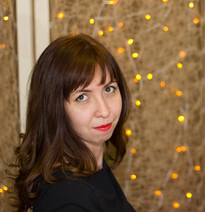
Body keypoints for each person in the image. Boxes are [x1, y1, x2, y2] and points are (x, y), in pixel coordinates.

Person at [13, 34, 136, 211]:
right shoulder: (69, 200)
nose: (104, 111)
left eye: (109, 89)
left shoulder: (92, 164)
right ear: (55, 109)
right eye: (82, 97)